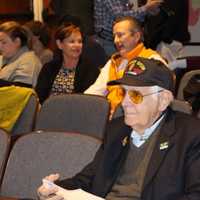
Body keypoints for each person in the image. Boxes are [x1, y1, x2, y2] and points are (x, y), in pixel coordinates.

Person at [37, 57, 200, 200]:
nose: (124, 102)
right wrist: (55, 189)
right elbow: (88, 179)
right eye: (124, 93)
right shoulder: (117, 129)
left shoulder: (190, 135)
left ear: (163, 100)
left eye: (135, 95)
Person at [85, 16, 166, 115]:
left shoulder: (153, 60)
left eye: (120, 35)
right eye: (114, 36)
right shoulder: (113, 62)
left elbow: (159, 99)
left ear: (136, 36)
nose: (115, 41)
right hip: (110, 119)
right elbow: (94, 93)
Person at [35, 23, 100, 104]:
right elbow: (39, 98)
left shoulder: (90, 69)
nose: (77, 45)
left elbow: (88, 101)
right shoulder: (49, 68)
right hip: (50, 112)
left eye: (80, 41)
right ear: (60, 44)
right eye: (72, 41)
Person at [94, 0, 163, 56]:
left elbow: (129, 14)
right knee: (120, 68)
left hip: (119, 39)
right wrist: (147, 8)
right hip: (108, 42)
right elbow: (120, 16)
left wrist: (149, 11)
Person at [0, 21, 42, 88]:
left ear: (17, 42)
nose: (0, 46)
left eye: (4, 42)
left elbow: (21, 90)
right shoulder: (5, 57)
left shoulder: (29, 61)